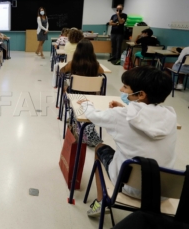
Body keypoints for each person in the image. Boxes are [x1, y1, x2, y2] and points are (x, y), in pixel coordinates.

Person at [79, 66, 176, 217]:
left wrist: (86, 103)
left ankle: (101, 201)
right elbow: (145, 118)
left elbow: (93, 116)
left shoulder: (120, 115)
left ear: (141, 94)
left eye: (125, 87)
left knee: (99, 148)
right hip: (163, 190)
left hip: (129, 186)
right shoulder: (170, 116)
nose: (121, 90)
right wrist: (127, 107)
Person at [60, 39, 104, 148]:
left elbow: (62, 71)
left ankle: (72, 115)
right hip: (91, 96)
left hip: (75, 96)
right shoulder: (95, 64)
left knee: (65, 85)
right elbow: (102, 72)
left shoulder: (73, 64)